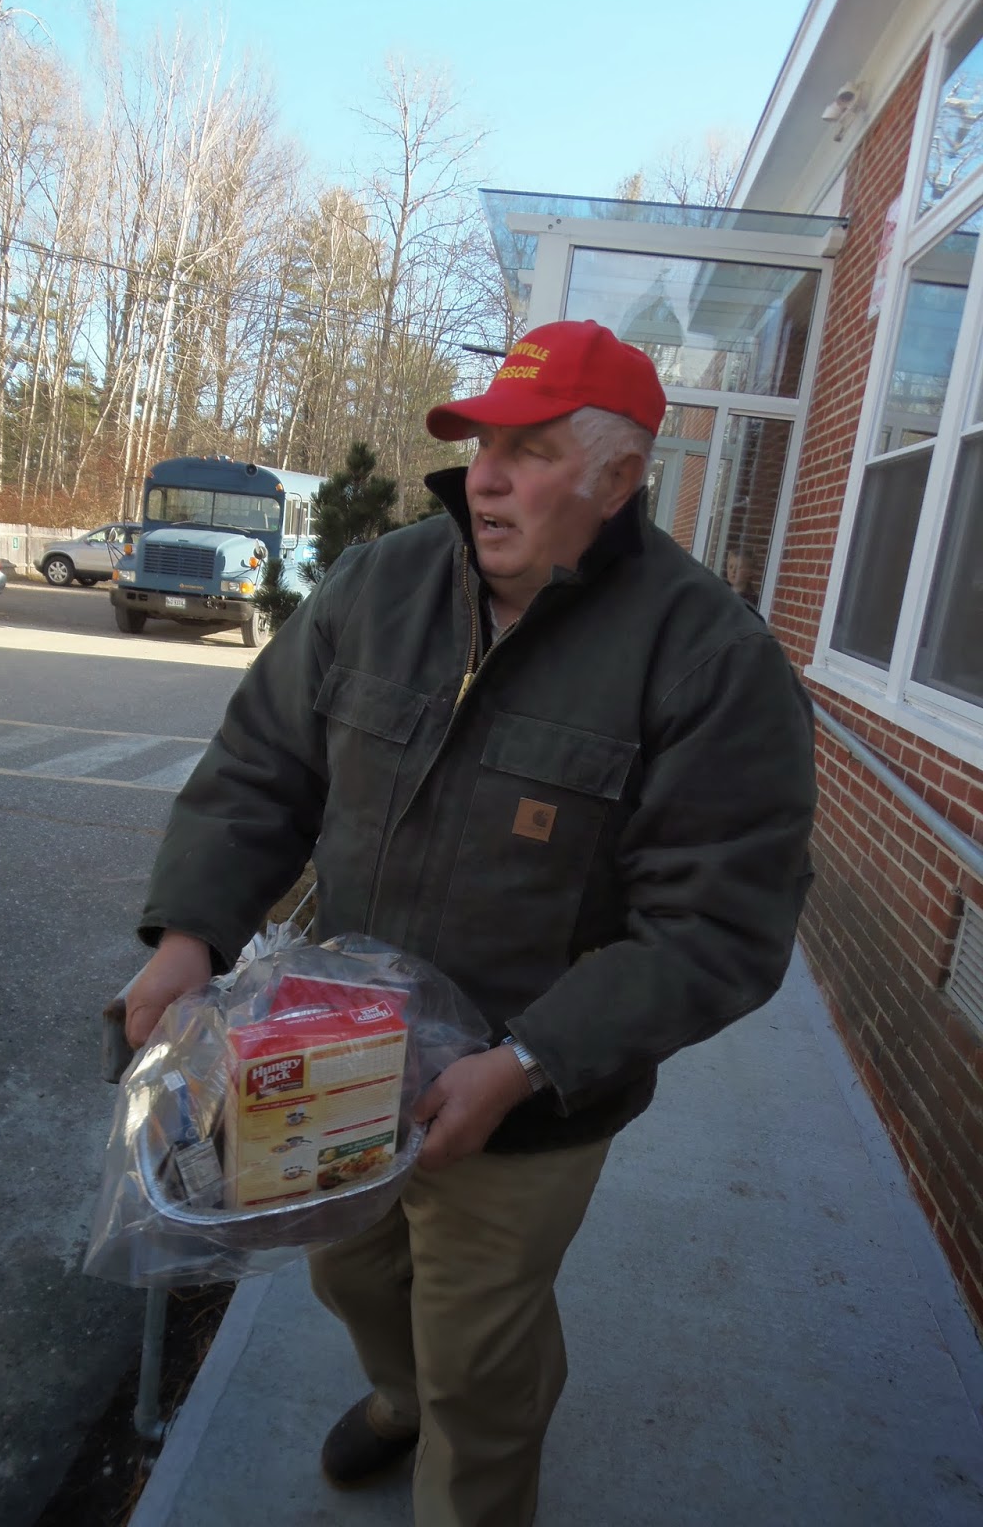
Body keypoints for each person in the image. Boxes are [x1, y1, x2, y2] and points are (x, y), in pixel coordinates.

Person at [124, 318, 817, 1527]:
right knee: (351, 1274)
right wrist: (192, 933)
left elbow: (720, 926)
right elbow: (257, 775)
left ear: (618, 478)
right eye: (481, 440)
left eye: (531, 450)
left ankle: (461, 1438)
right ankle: (400, 1395)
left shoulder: (709, 658)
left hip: (528, 1102)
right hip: (339, 1064)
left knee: (480, 1356)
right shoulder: (377, 587)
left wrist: (527, 1061)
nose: (482, 475)